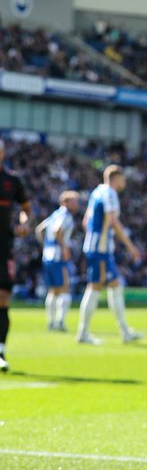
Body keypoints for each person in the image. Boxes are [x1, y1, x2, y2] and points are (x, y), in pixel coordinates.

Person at [77, 165, 142, 345]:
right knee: (95, 286)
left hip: (96, 246)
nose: (125, 182)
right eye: (123, 178)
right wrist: (130, 246)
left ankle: (125, 331)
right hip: (101, 248)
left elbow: (85, 221)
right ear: (116, 177)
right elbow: (113, 220)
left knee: (115, 284)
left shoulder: (96, 192)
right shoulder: (110, 193)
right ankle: (83, 333)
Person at [0, 141, 33, 371]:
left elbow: (26, 209)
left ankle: (0, 351)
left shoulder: (13, 181)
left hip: (4, 247)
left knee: (3, 298)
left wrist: (24, 222)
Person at [36, 190, 80, 333]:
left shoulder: (54, 214)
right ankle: (60, 321)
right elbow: (57, 230)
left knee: (53, 291)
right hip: (58, 257)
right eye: (74, 201)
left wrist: (46, 246)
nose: (77, 204)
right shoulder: (65, 215)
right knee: (65, 288)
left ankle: (51, 322)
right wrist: (64, 248)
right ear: (65, 202)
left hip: (48, 255)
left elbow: (39, 229)